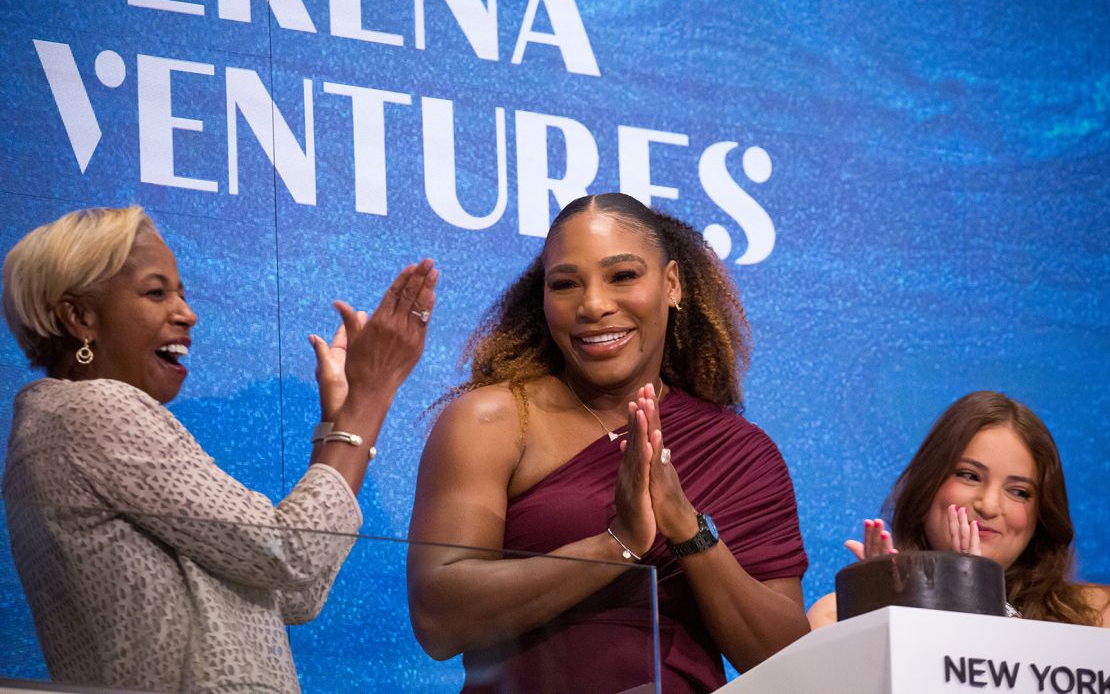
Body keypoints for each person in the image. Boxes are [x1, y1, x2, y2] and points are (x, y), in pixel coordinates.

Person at [2, 205, 438, 692]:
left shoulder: (59, 422)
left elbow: (294, 588)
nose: (186, 313)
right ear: (80, 316)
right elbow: (288, 552)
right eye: (156, 292)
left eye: (182, 293)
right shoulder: (91, 410)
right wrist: (370, 395)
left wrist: (344, 417)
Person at [407, 193, 809, 692]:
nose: (593, 305)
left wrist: (685, 527)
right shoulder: (494, 420)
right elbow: (438, 618)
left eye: (623, 276)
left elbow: (789, 661)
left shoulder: (740, 452)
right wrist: (616, 543)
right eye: (566, 284)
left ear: (672, 285)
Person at [807, 391, 1110, 629]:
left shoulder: (1097, 616)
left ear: (1041, 516)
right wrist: (883, 616)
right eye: (969, 475)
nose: (989, 506)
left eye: (1019, 492)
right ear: (929, 483)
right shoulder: (837, 615)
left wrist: (979, 598)